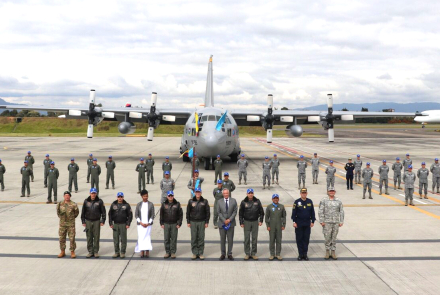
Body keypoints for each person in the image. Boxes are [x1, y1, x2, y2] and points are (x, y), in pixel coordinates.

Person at [318, 187, 344, 260]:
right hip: (327, 222)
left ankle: (333, 251)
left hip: (335, 222)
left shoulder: (338, 201)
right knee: (327, 237)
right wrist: (321, 221)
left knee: (334, 237)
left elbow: (341, 211)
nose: (331, 192)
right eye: (330, 191)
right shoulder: (324, 200)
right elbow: (320, 211)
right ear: (328, 192)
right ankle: (327, 251)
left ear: (335, 192)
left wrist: (341, 221)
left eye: (333, 191)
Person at [239, 188, 264, 260]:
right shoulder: (243, 202)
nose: (250, 194)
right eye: (249, 193)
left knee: (254, 238)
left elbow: (261, 212)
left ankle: (253, 253)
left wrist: (261, 220)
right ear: (246, 194)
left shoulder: (257, 201)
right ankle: (247, 253)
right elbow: (240, 213)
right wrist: (241, 222)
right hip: (246, 222)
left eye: (251, 193)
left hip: (255, 221)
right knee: (246, 238)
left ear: (253, 193)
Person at [81, 188, 106, 258]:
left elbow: (103, 212)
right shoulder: (86, 201)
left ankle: (96, 251)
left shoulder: (100, 201)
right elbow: (83, 212)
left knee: (96, 236)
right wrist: (83, 221)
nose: (93, 195)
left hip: (96, 221)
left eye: (94, 193)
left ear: (96, 193)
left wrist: (103, 220)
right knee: (89, 237)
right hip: (88, 221)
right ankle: (90, 251)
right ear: (90, 193)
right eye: (92, 193)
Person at [186, 187, 210, 260]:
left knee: (201, 238)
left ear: (201, 192)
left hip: (202, 222)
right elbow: (188, 212)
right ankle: (194, 253)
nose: (198, 193)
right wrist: (188, 222)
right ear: (194, 193)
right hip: (193, 222)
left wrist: (206, 222)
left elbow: (207, 212)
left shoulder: (205, 201)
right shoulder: (190, 201)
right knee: (194, 238)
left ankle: (200, 253)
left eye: (199, 192)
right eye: (196, 192)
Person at [292, 188, 315, 261]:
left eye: (305, 193)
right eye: (302, 193)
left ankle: (305, 254)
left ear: (307, 193)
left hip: (307, 224)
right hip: (299, 224)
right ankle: (300, 254)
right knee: (299, 239)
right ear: (300, 194)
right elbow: (294, 213)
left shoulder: (309, 201)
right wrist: (294, 222)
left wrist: (313, 221)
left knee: (306, 239)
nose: (304, 194)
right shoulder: (297, 202)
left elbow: (312, 212)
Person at [108, 192, 132, 259]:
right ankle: (116, 252)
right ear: (117, 197)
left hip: (123, 224)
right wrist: (110, 223)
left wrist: (128, 223)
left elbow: (130, 215)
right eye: (119, 197)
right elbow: (110, 214)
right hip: (115, 224)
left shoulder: (126, 205)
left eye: (121, 197)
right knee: (116, 239)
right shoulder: (113, 204)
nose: (120, 198)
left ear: (123, 197)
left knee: (123, 239)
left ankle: (122, 252)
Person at [160, 191, 183, 259]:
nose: (170, 197)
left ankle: (173, 252)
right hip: (166, 224)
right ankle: (167, 252)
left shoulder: (177, 204)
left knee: (173, 238)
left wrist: (179, 223)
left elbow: (180, 215)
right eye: (169, 196)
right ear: (167, 196)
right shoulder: (164, 204)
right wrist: (161, 223)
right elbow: (161, 214)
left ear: (173, 196)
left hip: (174, 224)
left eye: (171, 196)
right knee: (166, 239)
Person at [57, 191, 79, 258]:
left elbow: (76, 213)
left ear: (70, 196)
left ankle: (72, 251)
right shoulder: (60, 204)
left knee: (72, 238)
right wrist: (62, 219)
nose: (67, 197)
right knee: (61, 238)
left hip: (71, 224)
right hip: (62, 224)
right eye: (65, 195)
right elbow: (58, 213)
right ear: (64, 196)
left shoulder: (73, 204)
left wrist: (71, 219)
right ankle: (62, 251)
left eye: (68, 195)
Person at [217, 188, 237, 261]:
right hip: (222, 223)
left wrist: (229, 220)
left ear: (229, 193)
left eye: (227, 193)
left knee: (230, 239)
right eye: (224, 193)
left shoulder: (233, 201)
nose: (226, 194)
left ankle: (229, 254)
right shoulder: (219, 202)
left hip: (231, 223)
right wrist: (224, 220)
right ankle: (223, 254)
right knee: (222, 239)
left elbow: (235, 211)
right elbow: (218, 212)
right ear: (223, 194)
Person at [265, 194, 286, 261]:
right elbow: (267, 217)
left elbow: (284, 217)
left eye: (277, 198)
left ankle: (278, 254)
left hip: (279, 226)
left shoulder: (282, 207)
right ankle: (272, 254)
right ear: (272, 199)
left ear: (278, 199)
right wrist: (268, 226)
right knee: (272, 240)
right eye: (274, 198)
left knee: (279, 240)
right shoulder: (269, 207)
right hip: (272, 226)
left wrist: (283, 225)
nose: (275, 199)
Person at [135, 189, 155, 258]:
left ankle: (147, 251)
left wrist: (148, 223)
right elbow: (136, 215)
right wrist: (140, 222)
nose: (145, 197)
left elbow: (152, 215)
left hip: (148, 224)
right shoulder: (139, 204)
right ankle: (142, 251)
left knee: (147, 237)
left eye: (146, 196)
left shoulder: (151, 204)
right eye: (144, 196)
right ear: (141, 196)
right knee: (141, 237)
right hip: (140, 225)